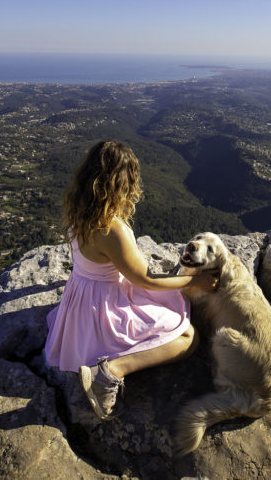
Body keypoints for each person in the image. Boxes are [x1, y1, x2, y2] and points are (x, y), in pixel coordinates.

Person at [43, 140, 218, 420]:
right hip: (104, 305)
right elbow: (146, 281)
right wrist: (192, 282)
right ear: (123, 182)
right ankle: (110, 372)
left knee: (174, 311)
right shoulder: (111, 228)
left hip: (81, 295)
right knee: (188, 337)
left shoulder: (76, 205)